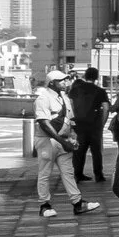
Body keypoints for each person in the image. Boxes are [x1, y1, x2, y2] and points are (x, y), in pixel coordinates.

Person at [32, 68, 99, 220]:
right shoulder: (43, 99)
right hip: (47, 141)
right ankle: (44, 205)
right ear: (52, 83)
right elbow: (44, 123)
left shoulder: (65, 97)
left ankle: (77, 203)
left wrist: (73, 137)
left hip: (63, 140)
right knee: (45, 174)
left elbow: (70, 120)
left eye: (66, 79)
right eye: (61, 80)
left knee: (68, 172)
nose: (65, 82)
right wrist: (63, 141)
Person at [68, 66, 109, 184]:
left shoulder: (74, 90)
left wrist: (72, 121)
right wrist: (102, 123)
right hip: (94, 124)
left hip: (78, 124)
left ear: (85, 76)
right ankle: (99, 175)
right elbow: (106, 108)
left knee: (79, 150)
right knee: (96, 151)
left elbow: (70, 105)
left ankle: (78, 174)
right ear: (96, 77)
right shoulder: (100, 91)